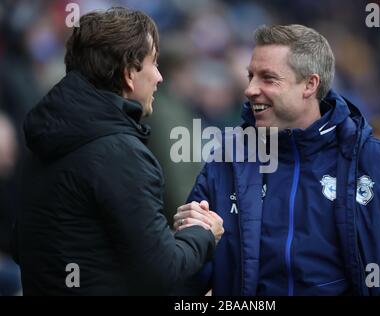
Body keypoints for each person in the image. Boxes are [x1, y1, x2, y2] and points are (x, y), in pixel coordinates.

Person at [174, 24, 380, 295]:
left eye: (268, 78)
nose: (250, 89)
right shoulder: (226, 162)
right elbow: (187, 281)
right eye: (251, 76)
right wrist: (194, 238)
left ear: (310, 85)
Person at [14, 7, 223, 295]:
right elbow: (165, 271)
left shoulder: (46, 135)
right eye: (154, 63)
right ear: (128, 73)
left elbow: (23, 246)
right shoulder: (119, 152)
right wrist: (203, 232)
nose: (160, 77)